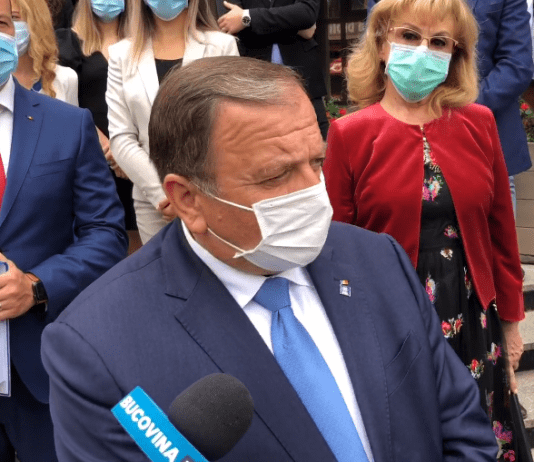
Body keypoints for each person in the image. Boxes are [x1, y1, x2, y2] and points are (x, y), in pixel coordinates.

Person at [42, 56, 498, 461]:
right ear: (187, 200)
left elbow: (463, 429)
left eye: (315, 163)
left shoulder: (378, 260)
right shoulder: (96, 349)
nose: (313, 192)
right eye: (276, 175)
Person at [323, 0, 524, 459]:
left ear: (456, 55)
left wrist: (511, 325)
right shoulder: (350, 134)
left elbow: (501, 234)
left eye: (439, 42)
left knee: (480, 433)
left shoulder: (479, 124)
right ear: (381, 45)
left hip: (473, 313)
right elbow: (337, 247)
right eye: (409, 36)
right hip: (391, 317)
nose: (423, 51)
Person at [0, 0, 128, 458]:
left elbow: (106, 233)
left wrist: (37, 286)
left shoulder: (68, 124)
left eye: (0, 23)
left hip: (40, 367)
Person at [368, 0, 534, 214]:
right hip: (395, 140)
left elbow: (516, 65)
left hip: (481, 147)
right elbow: (375, 44)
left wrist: (454, 110)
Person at [106, 0, 239, 244]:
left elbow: (231, 127)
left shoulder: (221, 46)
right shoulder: (121, 54)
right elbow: (121, 137)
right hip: (155, 204)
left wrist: (195, 193)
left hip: (212, 197)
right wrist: (165, 194)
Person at [57, 0, 142, 253]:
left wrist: (129, 151)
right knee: (100, 240)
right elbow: (62, 100)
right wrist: (108, 147)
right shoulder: (67, 42)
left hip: (137, 157)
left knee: (142, 241)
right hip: (92, 158)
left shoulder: (142, 42)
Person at [217, 0, 329, 140]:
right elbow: (229, 20)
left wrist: (247, 18)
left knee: (319, 141)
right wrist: (293, 24)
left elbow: (306, 14)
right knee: (265, 146)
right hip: (256, 80)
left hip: (304, 78)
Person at [11, 0, 78, 105]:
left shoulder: (66, 78)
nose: (8, 28)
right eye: (2, 21)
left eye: (14, 17)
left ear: (36, 22)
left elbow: (73, 115)